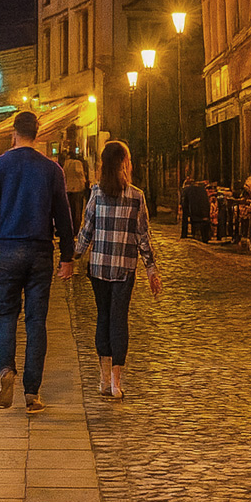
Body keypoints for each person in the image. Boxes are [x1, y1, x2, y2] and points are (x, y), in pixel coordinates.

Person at [0, 111, 75, 413]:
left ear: (13, 133)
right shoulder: (51, 170)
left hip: (6, 249)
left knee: (5, 315)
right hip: (40, 251)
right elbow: (63, 217)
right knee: (35, 322)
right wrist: (67, 256)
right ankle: (32, 393)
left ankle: (6, 370)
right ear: (38, 134)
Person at [74, 140, 161, 400]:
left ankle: (102, 379)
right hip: (124, 269)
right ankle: (115, 382)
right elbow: (142, 236)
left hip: (98, 267)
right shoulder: (136, 196)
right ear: (124, 163)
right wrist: (151, 269)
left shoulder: (96, 193)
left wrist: (71, 257)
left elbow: (86, 230)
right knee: (119, 320)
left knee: (103, 318)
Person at [63, 147, 90, 244]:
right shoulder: (77, 163)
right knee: (77, 210)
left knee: (70, 209)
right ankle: (76, 230)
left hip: (68, 189)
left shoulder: (66, 163)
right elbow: (80, 175)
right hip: (77, 189)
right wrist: (85, 184)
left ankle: (70, 227)